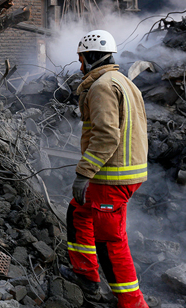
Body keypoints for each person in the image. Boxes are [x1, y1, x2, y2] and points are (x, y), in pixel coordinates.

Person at [61, 30, 149, 307]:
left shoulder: (101, 87)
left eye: (81, 58)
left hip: (112, 178)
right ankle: (86, 278)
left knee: (111, 244)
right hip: (119, 173)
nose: (80, 65)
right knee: (78, 212)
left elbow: (107, 136)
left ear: (88, 57)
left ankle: (132, 304)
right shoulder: (123, 82)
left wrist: (83, 172)